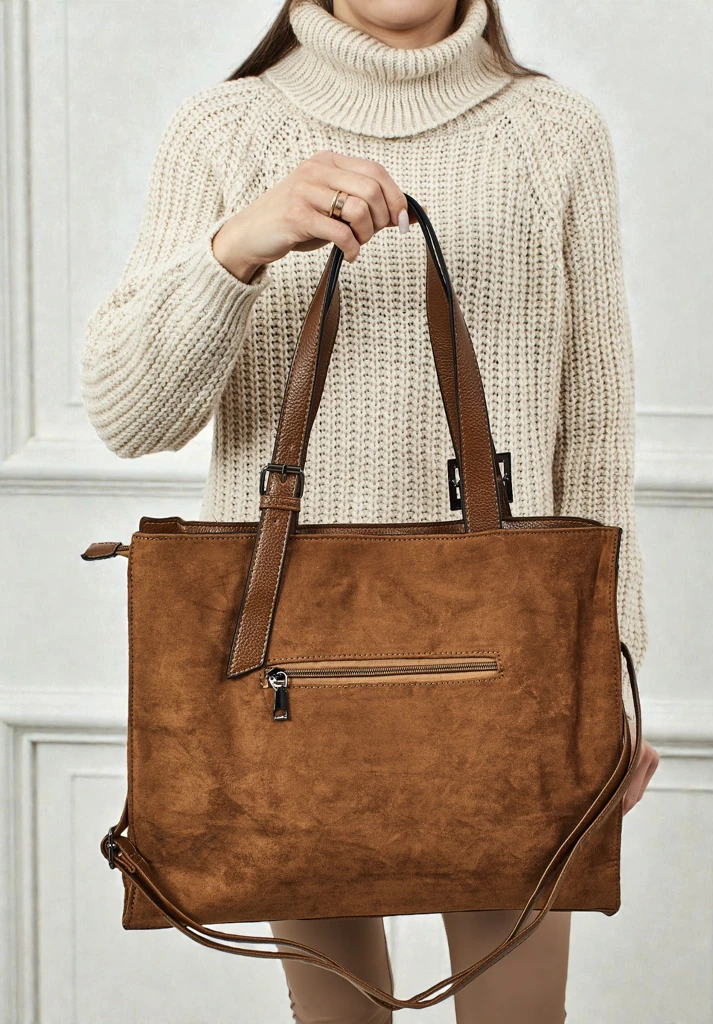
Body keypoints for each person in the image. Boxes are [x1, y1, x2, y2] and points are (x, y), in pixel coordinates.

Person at [80, 0, 660, 1020]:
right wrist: (244, 241)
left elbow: (596, 436)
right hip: (285, 670)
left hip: (511, 666)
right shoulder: (227, 130)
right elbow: (131, 416)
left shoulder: (555, 134)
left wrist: (611, 681)